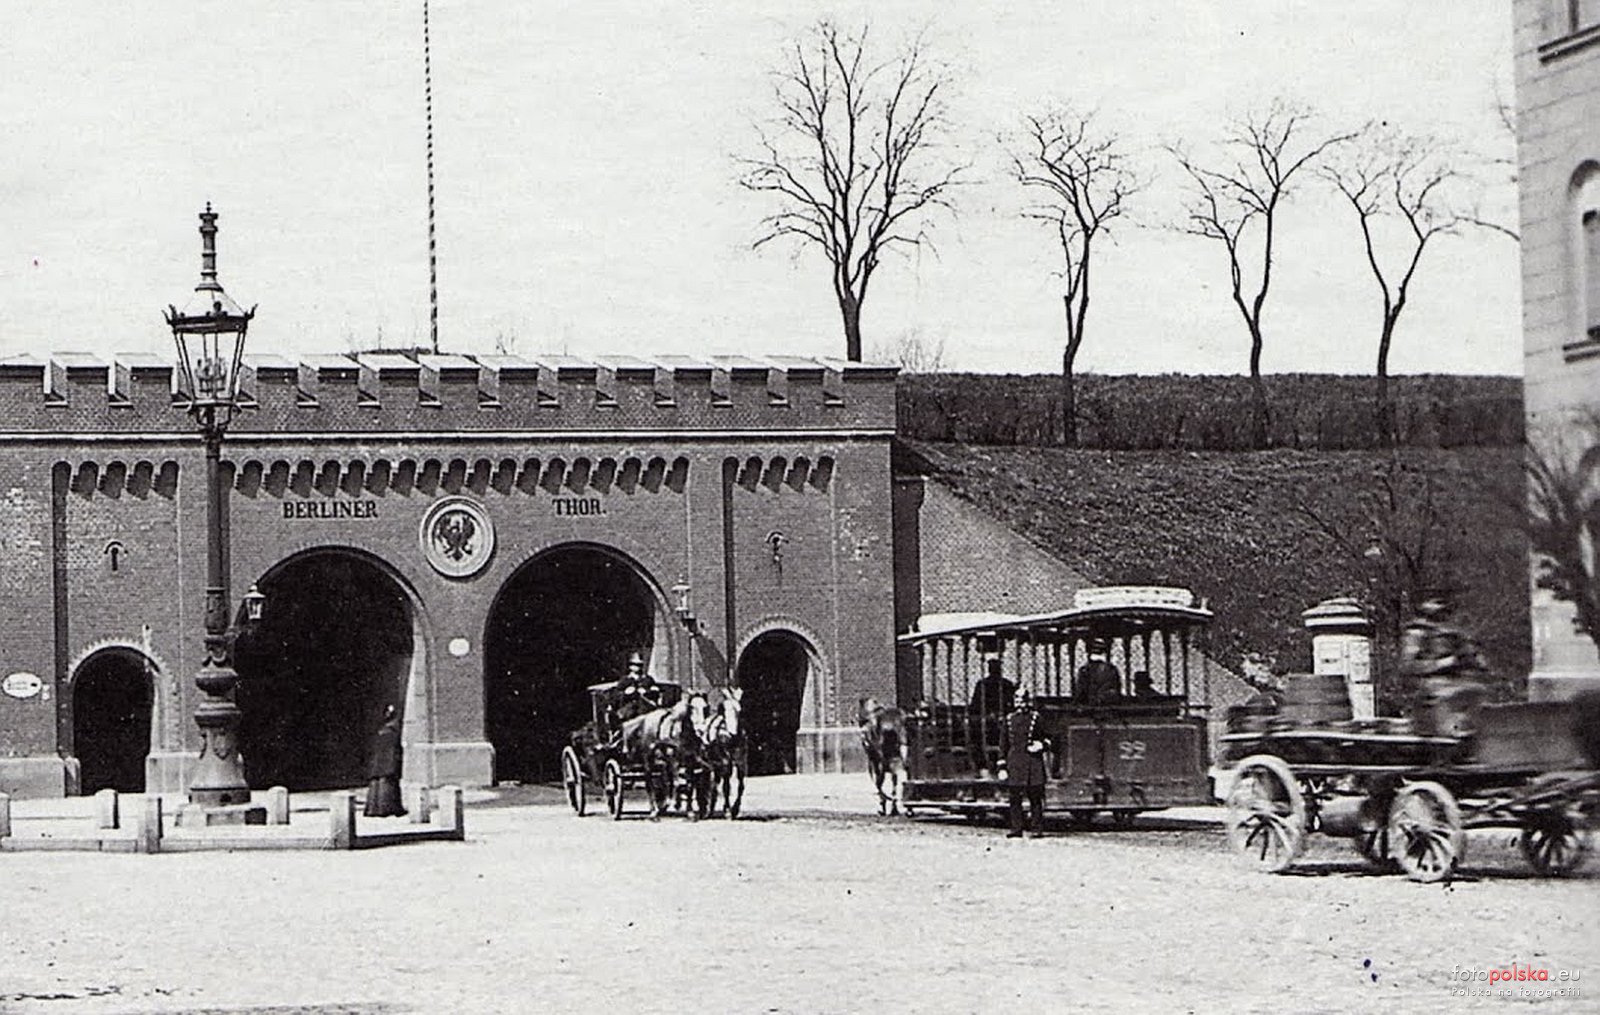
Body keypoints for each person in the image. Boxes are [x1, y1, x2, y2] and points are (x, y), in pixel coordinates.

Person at [999, 686, 1049, 838]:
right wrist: (1002, 766)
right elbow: (1003, 744)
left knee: (1035, 796)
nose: (1020, 703)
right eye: (1017, 699)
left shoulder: (1036, 718)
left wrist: (1041, 745)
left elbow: (1048, 737)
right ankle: (1016, 828)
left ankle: (1036, 828)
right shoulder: (1009, 719)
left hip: (1032, 761)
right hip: (1015, 761)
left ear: (1028, 701)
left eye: (1022, 700)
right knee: (1015, 797)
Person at [364, 704, 406, 818]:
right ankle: (386, 809)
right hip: (387, 763)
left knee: (378, 784)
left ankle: (375, 809)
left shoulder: (382, 730)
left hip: (379, 763)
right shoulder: (393, 730)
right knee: (387, 784)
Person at [614, 652, 662, 724]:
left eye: (640, 665)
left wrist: (646, 691)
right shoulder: (625, 680)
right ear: (630, 666)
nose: (638, 667)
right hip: (630, 709)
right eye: (635, 665)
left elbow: (656, 691)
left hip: (646, 708)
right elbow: (616, 696)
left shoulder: (648, 679)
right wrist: (626, 693)